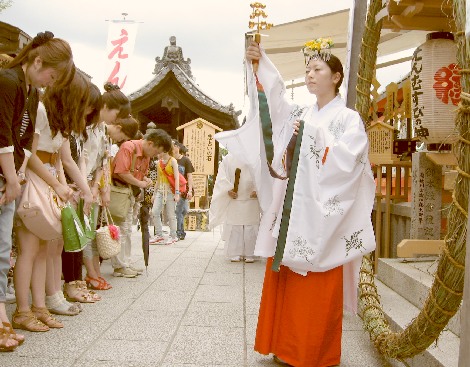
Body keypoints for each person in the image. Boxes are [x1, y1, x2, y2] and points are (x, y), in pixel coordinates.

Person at [218, 39, 376, 366]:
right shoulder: (301, 113)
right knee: (288, 276)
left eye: (318, 69)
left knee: (317, 282)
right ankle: (284, 346)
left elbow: (350, 162)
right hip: (293, 209)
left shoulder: (348, 119)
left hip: (323, 216)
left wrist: (311, 137)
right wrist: (259, 64)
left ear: (336, 77)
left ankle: (312, 352)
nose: (310, 75)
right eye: (307, 70)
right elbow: (273, 108)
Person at [0, 31, 74, 348]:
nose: (49, 82)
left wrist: (15, 174)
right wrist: (13, 177)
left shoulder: (29, 90)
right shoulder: (9, 81)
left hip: (10, 174)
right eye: (51, 75)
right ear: (38, 60)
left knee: (4, 252)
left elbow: (22, 142)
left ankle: (4, 317)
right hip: (8, 176)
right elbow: (3, 133)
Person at [14, 70, 94, 331]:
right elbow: (31, 154)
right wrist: (58, 184)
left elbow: (64, 160)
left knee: (45, 248)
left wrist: (71, 189)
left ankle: (40, 306)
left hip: (50, 183)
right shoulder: (40, 110)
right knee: (29, 249)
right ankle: (24, 310)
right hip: (36, 180)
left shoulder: (61, 119)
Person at [111, 128, 172, 277]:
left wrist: (145, 180)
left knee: (127, 229)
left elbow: (139, 174)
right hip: (119, 191)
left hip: (130, 193)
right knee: (120, 229)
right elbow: (121, 172)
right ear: (150, 143)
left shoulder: (146, 155)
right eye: (156, 152)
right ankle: (119, 266)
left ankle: (126, 262)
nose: (156, 156)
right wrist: (140, 183)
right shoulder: (129, 147)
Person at [209, 153, 260, 263]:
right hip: (235, 196)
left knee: (250, 224)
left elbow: (262, 174)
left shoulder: (256, 157)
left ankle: (250, 253)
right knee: (235, 225)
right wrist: (228, 190)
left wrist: (258, 189)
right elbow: (222, 178)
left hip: (252, 196)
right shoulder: (228, 158)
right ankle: (235, 252)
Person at [150, 142, 180, 245]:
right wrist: (154, 194)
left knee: (171, 215)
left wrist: (177, 193)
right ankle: (159, 235)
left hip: (170, 191)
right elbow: (158, 180)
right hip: (160, 190)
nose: (158, 152)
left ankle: (173, 236)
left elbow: (176, 178)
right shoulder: (159, 163)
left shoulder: (173, 161)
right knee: (154, 212)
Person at [173, 140, 194, 240]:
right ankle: (179, 232)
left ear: (177, 147)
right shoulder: (171, 160)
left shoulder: (185, 160)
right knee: (178, 211)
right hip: (174, 189)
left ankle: (180, 231)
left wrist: (190, 190)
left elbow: (189, 176)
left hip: (184, 189)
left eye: (173, 145)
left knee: (183, 210)